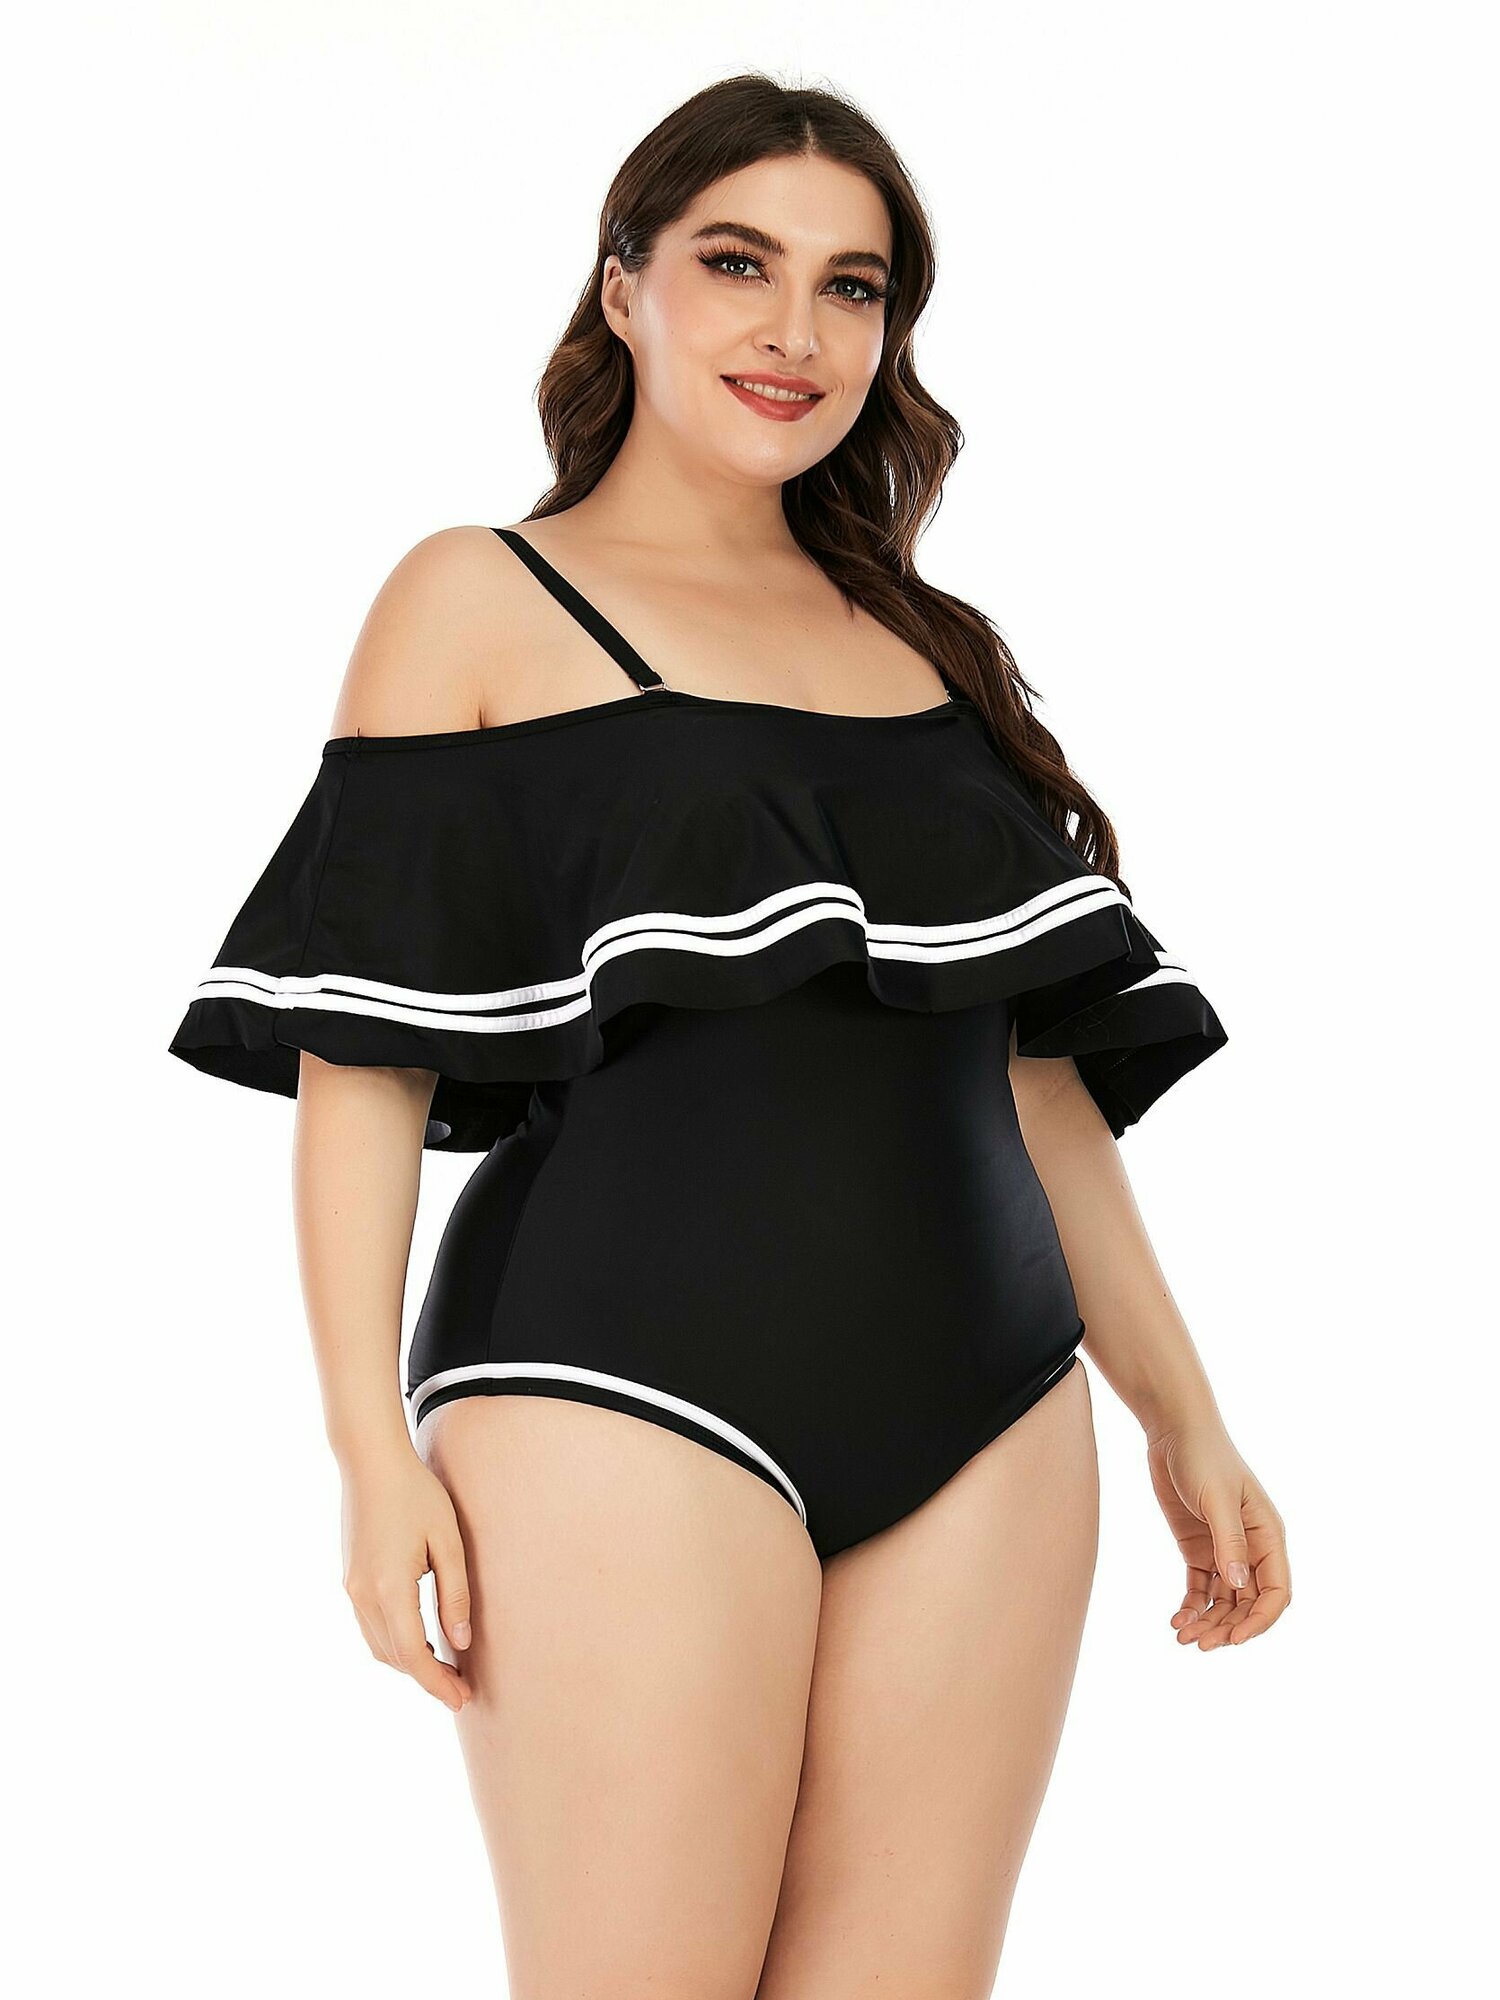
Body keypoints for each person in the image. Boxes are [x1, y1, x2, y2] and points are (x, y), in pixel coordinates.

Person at [167, 73, 1289, 1997]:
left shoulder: (919, 640)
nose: (797, 331)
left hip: (995, 1414)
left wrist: (1181, 1409)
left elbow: (1034, 1081)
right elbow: (367, 1065)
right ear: (624, 289)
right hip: (616, 1393)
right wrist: (366, 1452)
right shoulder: (477, 598)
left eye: (852, 287)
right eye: (737, 264)